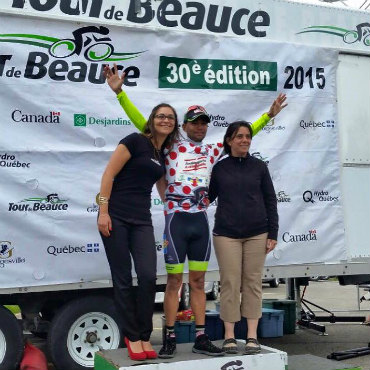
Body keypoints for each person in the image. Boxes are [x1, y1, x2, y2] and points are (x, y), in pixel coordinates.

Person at [103, 63, 287, 358]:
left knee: (199, 282)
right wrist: (120, 94)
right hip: (175, 221)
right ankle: (171, 337)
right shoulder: (170, 144)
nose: (199, 126)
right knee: (174, 282)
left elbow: (243, 133)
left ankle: (201, 336)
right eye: (194, 122)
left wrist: (269, 115)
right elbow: (144, 123)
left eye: (204, 122)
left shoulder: (214, 149)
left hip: (200, 222)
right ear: (184, 125)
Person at [97, 102, 179, 361]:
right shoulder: (134, 140)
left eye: (170, 118)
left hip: (142, 219)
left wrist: (177, 209)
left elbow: (163, 187)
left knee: (147, 276)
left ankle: (144, 334)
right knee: (122, 279)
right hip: (116, 216)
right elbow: (109, 174)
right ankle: (132, 336)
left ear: (174, 124)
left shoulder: (161, 152)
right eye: (161, 116)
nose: (165, 120)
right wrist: (103, 211)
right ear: (152, 119)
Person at [208, 121, 279, 355]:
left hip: (257, 233)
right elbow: (206, 197)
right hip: (226, 234)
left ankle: (251, 336)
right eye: (239, 136)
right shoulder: (219, 169)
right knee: (230, 282)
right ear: (229, 140)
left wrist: (273, 233)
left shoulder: (259, 167)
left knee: (253, 283)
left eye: (248, 136)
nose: (245, 140)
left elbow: (270, 199)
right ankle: (229, 336)